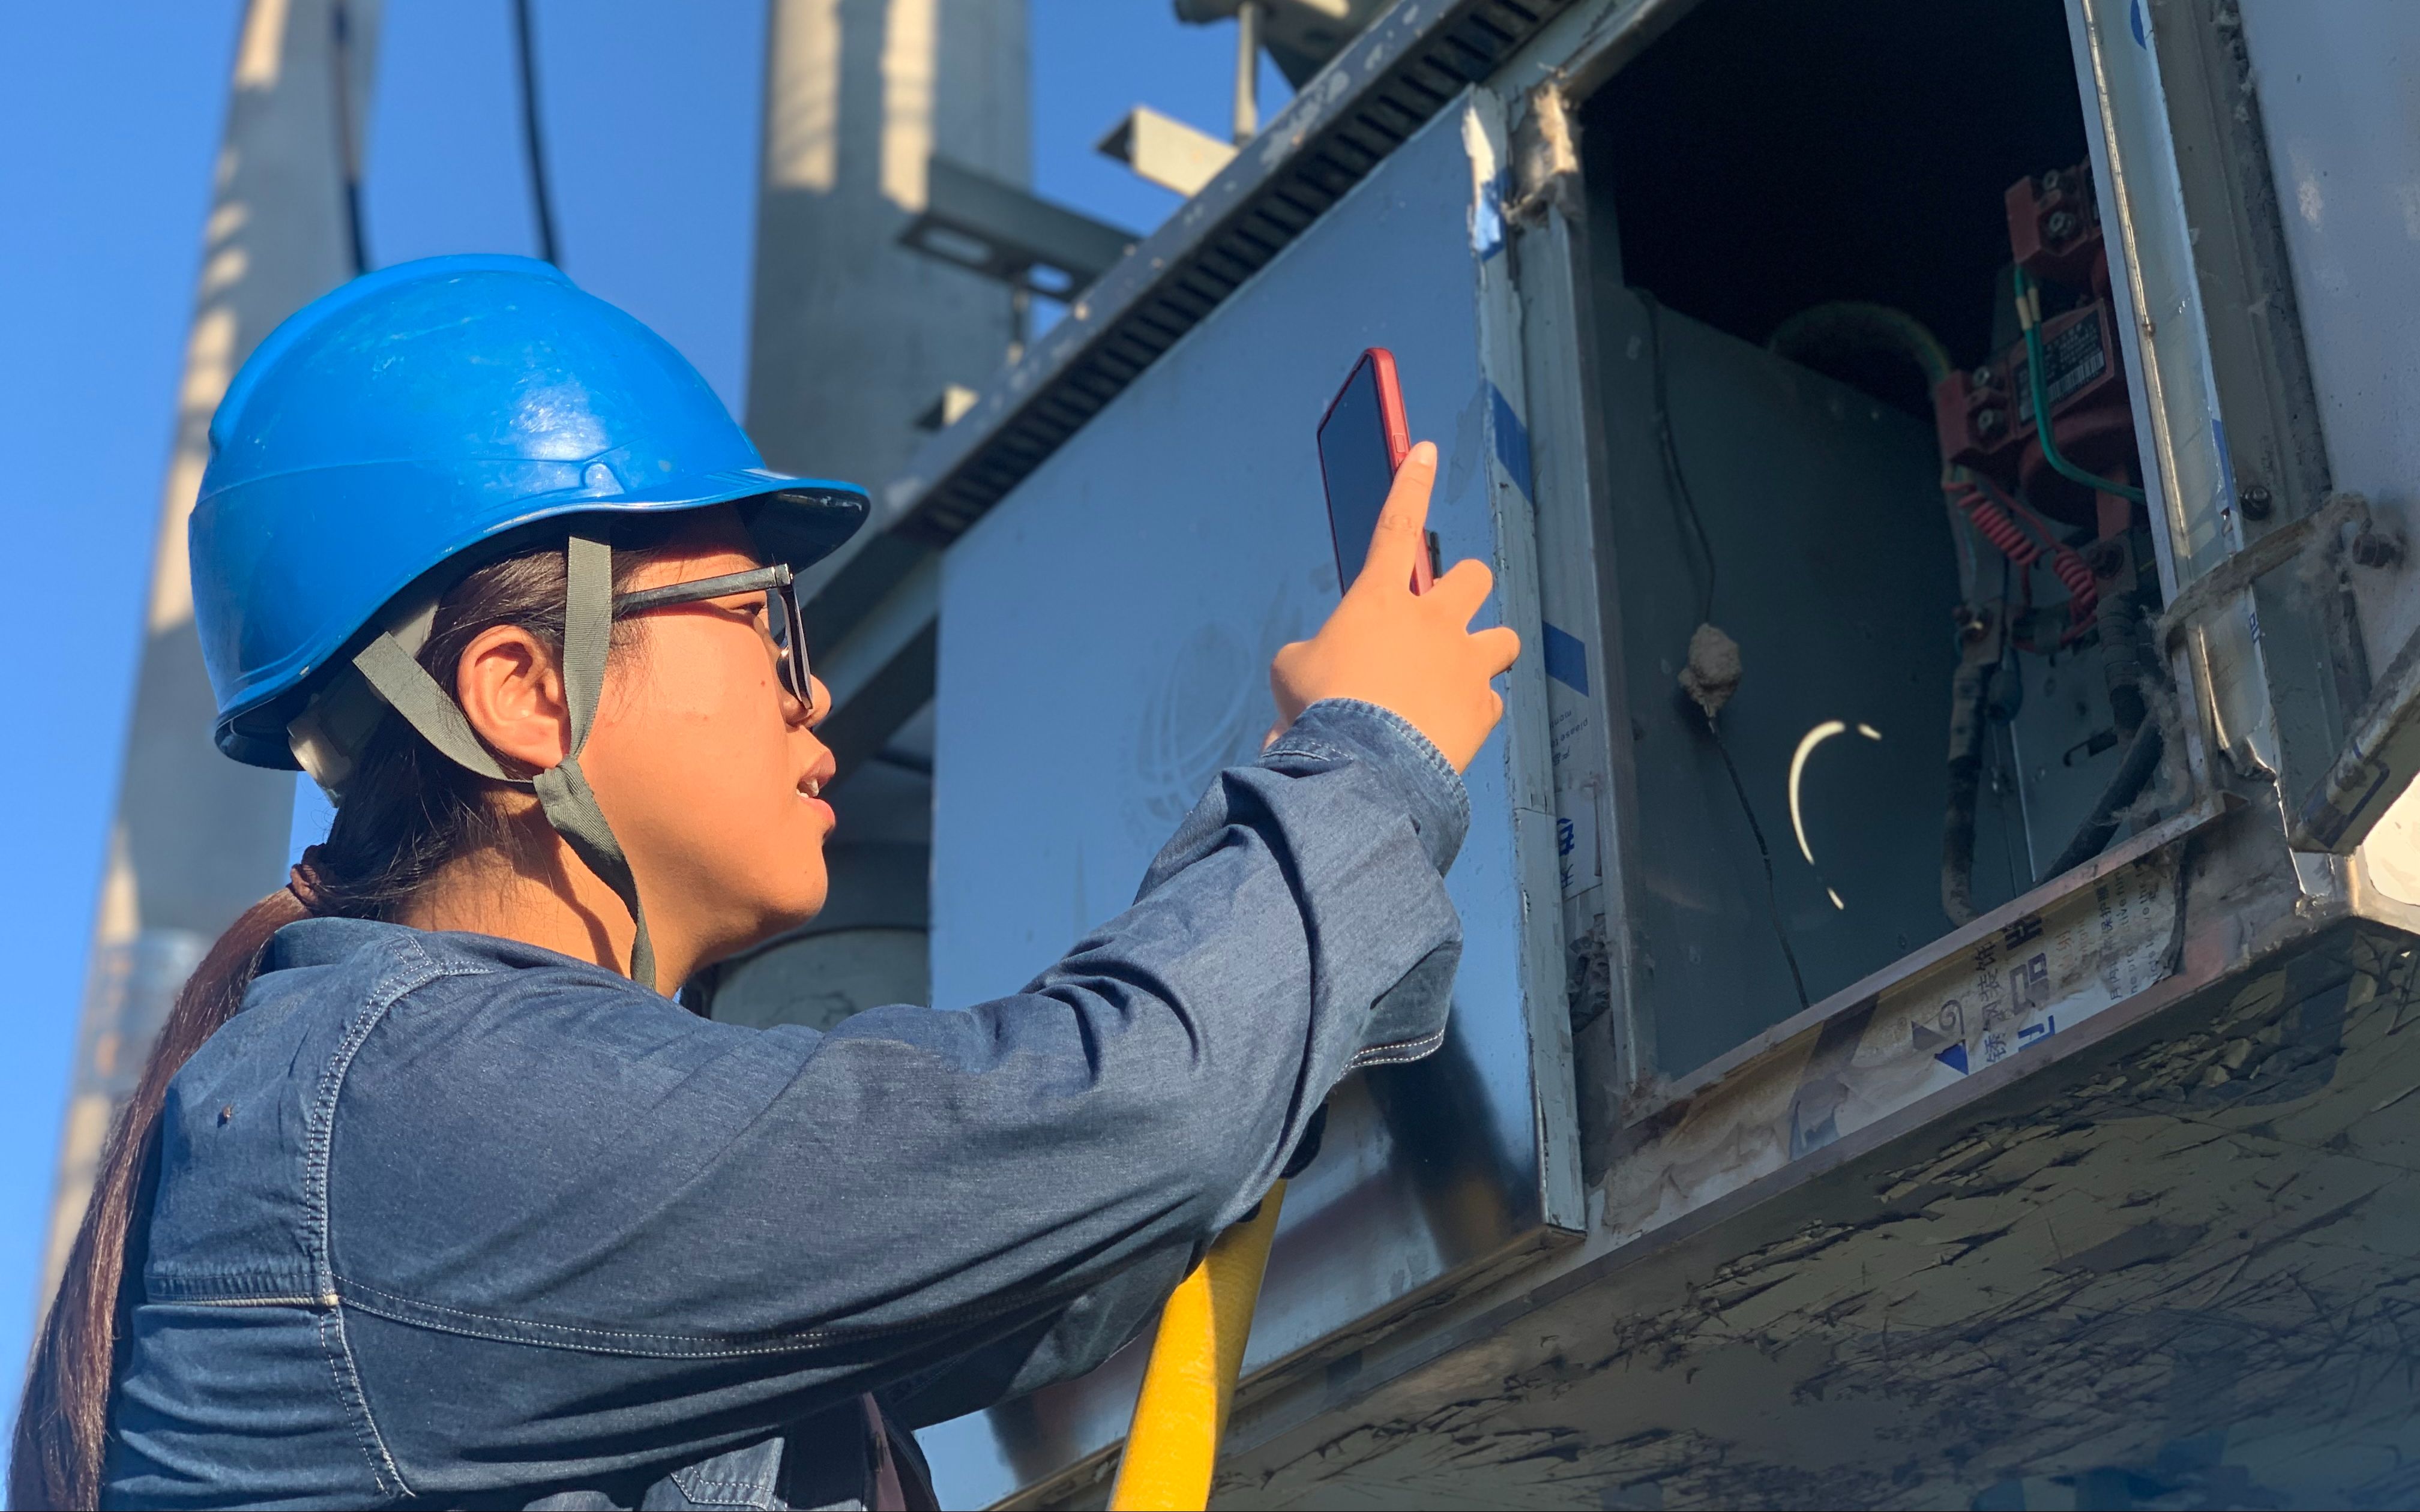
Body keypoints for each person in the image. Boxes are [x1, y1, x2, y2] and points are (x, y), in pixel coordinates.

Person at [13, 255, 1519, 1511]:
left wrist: (1293, 863)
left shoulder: (433, 1127)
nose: (814, 696)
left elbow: (1067, 1229)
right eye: (763, 621)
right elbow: (1122, 1116)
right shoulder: (418, 1110)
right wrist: (1366, 762)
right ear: (528, 691)